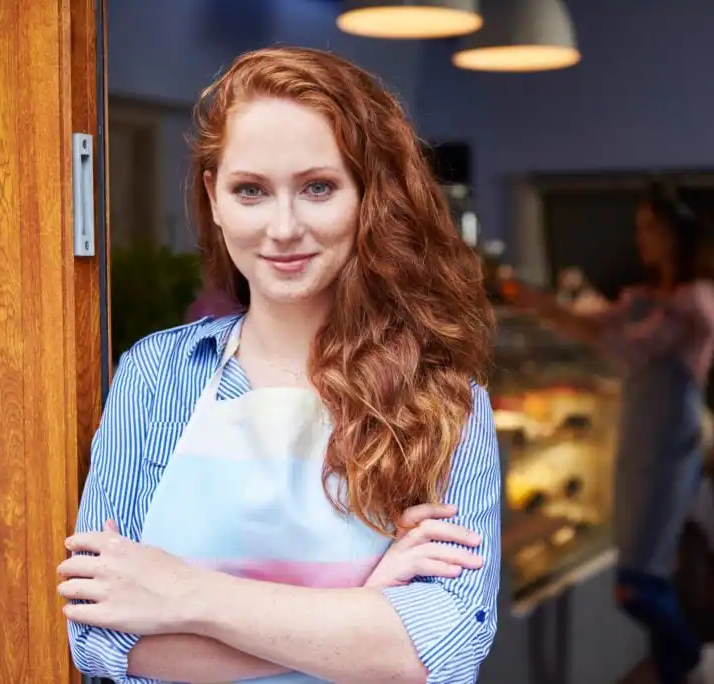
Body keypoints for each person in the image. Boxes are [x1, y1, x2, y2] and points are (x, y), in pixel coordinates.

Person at [59, 47, 500, 684]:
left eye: (318, 187)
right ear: (214, 198)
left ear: (366, 195)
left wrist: (186, 594)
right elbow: (99, 637)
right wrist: (363, 614)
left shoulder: (442, 398)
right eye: (251, 191)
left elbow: (438, 651)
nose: (283, 227)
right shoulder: (156, 376)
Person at [501, 185, 714, 684]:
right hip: (640, 444)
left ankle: (694, 661)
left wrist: (583, 331)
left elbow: (626, 346)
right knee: (644, 573)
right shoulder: (650, 299)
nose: (642, 239)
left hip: (669, 445)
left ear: (677, 233)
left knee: (637, 583)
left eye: (651, 228)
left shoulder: (695, 303)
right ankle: (683, 674)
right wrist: (525, 297)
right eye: (640, 229)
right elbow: (591, 328)